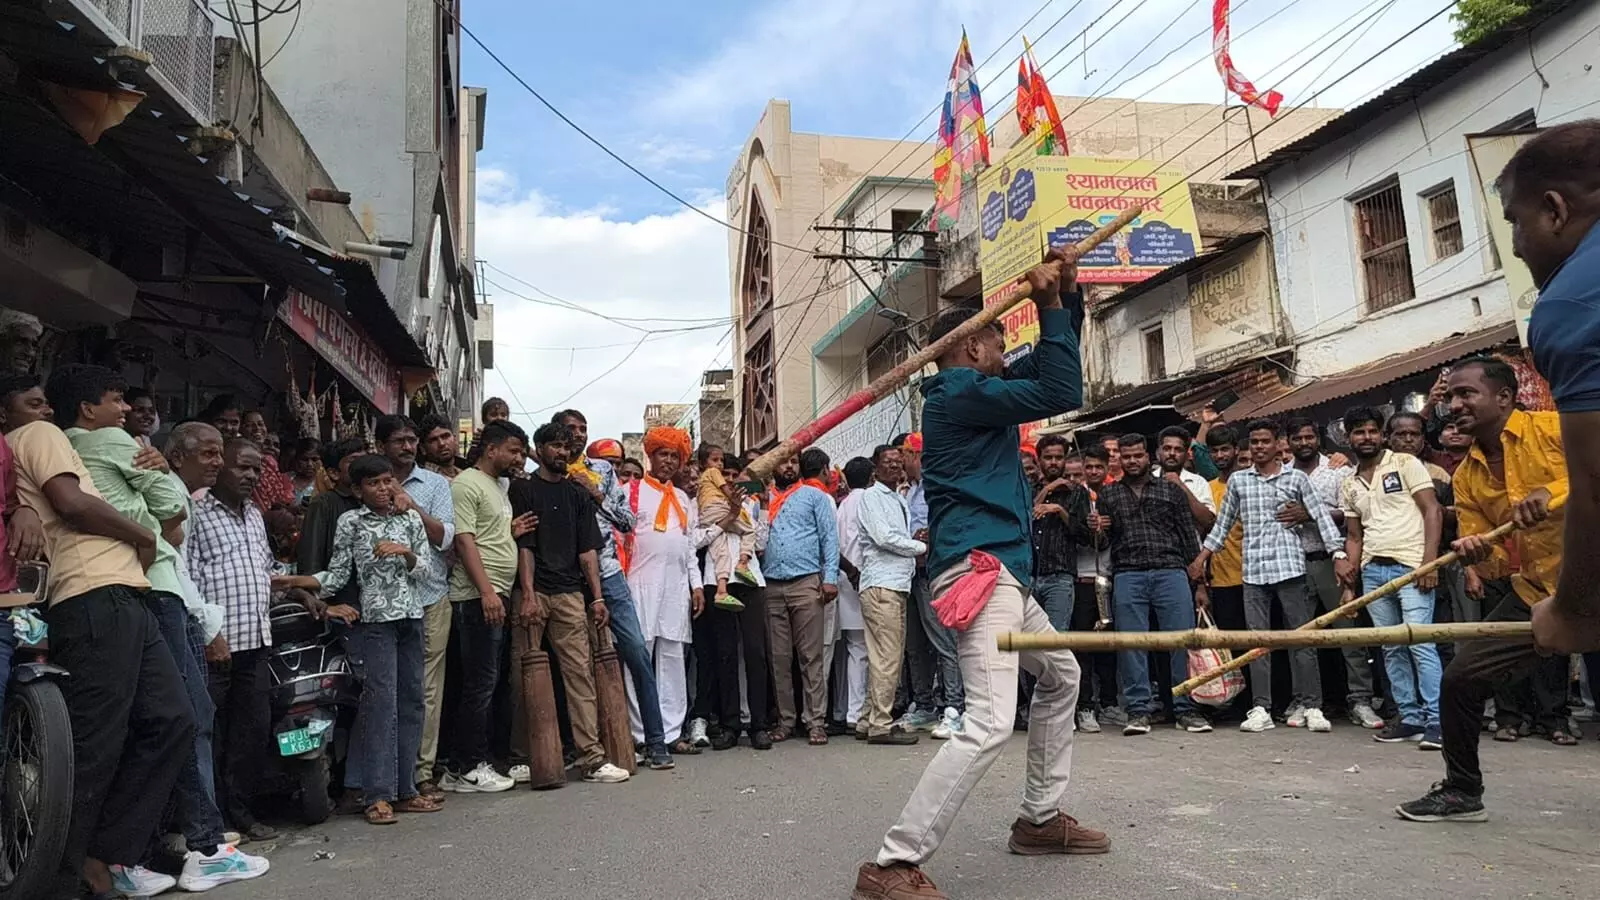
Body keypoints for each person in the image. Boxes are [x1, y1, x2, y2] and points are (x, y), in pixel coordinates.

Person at [856, 251, 1109, 900]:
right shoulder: (961, 394)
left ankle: (1041, 819)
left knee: (1060, 676)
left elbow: (1049, 368)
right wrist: (1048, 306)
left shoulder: (972, 392)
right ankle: (893, 862)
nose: (1008, 345)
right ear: (973, 346)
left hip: (1001, 574)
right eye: (1001, 338)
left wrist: (1066, 297)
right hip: (981, 571)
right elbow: (1059, 390)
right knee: (991, 721)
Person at [49, 368, 267, 892]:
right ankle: (201, 846)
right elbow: (166, 517)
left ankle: (130, 856)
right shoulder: (105, 443)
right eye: (117, 399)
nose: (126, 409)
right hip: (149, 594)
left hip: (145, 593)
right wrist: (155, 498)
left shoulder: (93, 450)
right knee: (185, 719)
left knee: (172, 721)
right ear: (87, 408)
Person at [8, 384, 198, 899]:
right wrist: (141, 536)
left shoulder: (49, 439)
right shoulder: (41, 433)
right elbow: (70, 503)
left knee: (173, 720)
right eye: (36, 400)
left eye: (49, 400)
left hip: (123, 595)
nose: (47, 408)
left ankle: (100, 854)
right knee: (95, 743)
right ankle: (60, 878)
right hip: (89, 593)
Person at [1397, 358, 1568, 823]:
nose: (1454, 405)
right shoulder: (1468, 475)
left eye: (1467, 394)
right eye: (1451, 397)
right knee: (1461, 678)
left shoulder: (1555, 428)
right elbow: (1494, 562)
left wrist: (1553, 490)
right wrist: (1474, 552)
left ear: (1505, 398)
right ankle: (1461, 791)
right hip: (1541, 592)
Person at [277, 454, 439, 823]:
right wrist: (297, 582)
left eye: (387, 482)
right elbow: (335, 576)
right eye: (373, 484)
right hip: (376, 622)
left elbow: (426, 570)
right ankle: (377, 795)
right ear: (357, 490)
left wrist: (406, 553)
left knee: (412, 702)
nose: (382, 489)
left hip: (411, 618)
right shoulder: (351, 522)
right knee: (381, 705)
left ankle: (407, 789)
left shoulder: (410, 518)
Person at [1500, 121, 1600, 654]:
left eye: (1515, 222)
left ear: (1555, 210)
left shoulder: (1570, 303)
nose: (1516, 247)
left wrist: (1574, 609)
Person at [1194, 419, 1343, 735]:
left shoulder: (1297, 479)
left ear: (1278, 444)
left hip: (1291, 568)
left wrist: (1338, 554)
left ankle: (1312, 705)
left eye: (1265, 441)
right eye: (1255, 442)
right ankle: (1261, 707)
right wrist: (1203, 557)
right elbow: (1223, 525)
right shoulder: (1239, 482)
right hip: (1254, 573)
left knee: (1301, 639)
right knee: (1257, 643)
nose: (1259, 447)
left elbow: (1320, 518)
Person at [505, 423, 631, 783]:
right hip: (532, 593)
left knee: (580, 676)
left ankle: (591, 757)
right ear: (539, 449)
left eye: (566, 447)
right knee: (522, 678)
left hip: (570, 594)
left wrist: (597, 597)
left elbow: (587, 550)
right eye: (555, 446)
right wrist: (527, 594)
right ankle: (523, 758)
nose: (562, 452)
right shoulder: (523, 489)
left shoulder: (577, 494)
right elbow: (524, 545)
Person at [554, 410, 676, 767]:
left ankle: (656, 742)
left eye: (582, 430)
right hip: (564, 578)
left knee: (637, 651)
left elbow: (626, 521)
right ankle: (575, 749)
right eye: (570, 430)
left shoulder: (603, 472)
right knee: (574, 666)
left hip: (608, 573)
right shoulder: (542, 476)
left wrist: (595, 496)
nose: (576, 435)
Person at [188, 437, 289, 843]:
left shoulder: (254, 516)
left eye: (256, 469)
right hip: (215, 646)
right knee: (209, 735)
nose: (250, 476)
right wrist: (209, 633)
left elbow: (264, 569)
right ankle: (210, 822)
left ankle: (242, 812)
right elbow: (188, 578)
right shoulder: (195, 513)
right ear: (219, 467)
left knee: (251, 732)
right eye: (241, 467)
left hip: (255, 643)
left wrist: (297, 589)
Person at [1336, 406, 1445, 750]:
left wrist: (1429, 563)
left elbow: (1432, 510)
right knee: (1391, 648)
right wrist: (1349, 587)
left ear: (1382, 434)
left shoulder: (1404, 463)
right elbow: (1354, 537)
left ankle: (1438, 721)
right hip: (1373, 570)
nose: (1366, 438)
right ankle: (1409, 718)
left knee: (1421, 645)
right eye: (1358, 432)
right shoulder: (1349, 484)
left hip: (1412, 565)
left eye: (1371, 431)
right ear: (1348, 438)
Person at [367, 416, 458, 801]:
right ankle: (383, 781)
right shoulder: (369, 482)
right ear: (381, 444)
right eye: (399, 441)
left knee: (425, 691)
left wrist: (412, 507)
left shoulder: (436, 484)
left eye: (411, 440)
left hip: (429, 594)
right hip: (382, 605)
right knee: (383, 692)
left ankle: (420, 774)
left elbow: (445, 538)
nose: (407, 447)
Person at [1098, 433, 1209, 736]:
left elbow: (1189, 537)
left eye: (1138, 455)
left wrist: (1200, 585)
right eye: (1126, 456)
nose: (1132, 461)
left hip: (1171, 572)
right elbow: (1104, 543)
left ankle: (1185, 709)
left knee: (1181, 642)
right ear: (1118, 458)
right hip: (1128, 574)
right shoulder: (1109, 495)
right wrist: (1098, 529)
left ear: (1149, 456)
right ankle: (1138, 711)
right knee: (1132, 645)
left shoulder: (1170, 490)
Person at [443, 420, 526, 794]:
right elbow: (464, 541)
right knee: (479, 683)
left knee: (492, 681)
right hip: (478, 597)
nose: (518, 457)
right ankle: (466, 767)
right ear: (490, 449)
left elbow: (489, 535)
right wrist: (487, 592)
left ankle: (486, 759)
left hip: (498, 593)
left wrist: (511, 535)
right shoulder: (465, 484)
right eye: (513, 450)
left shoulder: (497, 486)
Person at [1284, 416, 1382, 731]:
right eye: (1297, 438)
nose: (1303, 443)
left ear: (1318, 438)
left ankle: (1361, 700)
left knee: (1347, 633)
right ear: (1288, 442)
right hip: (1294, 563)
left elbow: (1348, 513)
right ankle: (1305, 700)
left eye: (1309, 436)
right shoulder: (1282, 474)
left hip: (1333, 560)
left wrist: (1312, 513)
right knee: (1300, 637)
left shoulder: (1339, 471)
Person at [624, 426, 709, 758]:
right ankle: (642, 734)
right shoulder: (631, 491)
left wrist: (697, 585)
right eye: (664, 454)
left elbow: (689, 547)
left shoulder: (685, 500)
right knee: (638, 658)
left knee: (673, 658)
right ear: (651, 455)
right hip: (639, 585)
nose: (669, 461)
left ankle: (672, 733)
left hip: (676, 588)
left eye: (675, 456)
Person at [762, 447, 840, 746]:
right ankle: (785, 721)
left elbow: (829, 539)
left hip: (807, 583)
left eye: (794, 461)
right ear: (773, 467)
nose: (789, 466)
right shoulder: (762, 498)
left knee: (811, 657)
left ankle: (815, 722)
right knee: (779, 658)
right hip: (770, 585)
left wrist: (830, 578)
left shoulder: (815, 497)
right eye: (783, 462)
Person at [855, 445, 927, 746]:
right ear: (876, 466)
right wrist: (919, 547)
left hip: (895, 583)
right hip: (883, 584)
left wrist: (913, 543)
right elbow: (884, 538)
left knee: (883, 656)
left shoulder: (897, 498)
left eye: (899, 463)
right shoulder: (871, 497)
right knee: (888, 657)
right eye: (888, 463)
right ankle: (880, 724)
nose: (895, 468)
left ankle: (868, 718)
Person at [1203, 425, 1253, 722]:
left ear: (1236, 449)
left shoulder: (1251, 483)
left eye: (1225, 449)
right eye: (1215, 451)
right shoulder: (1209, 488)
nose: (1221, 455)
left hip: (1253, 578)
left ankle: (1265, 701)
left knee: (1259, 643)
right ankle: (1238, 703)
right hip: (1221, 580)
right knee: (1232, 646)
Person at [1070, 445, 1119, 732]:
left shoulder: (1114, 495)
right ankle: (1086, 705)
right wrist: (1087, 527)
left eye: (1098, 466)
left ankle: (1110, 703)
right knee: (1083, 646)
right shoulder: (1078, 498)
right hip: (1082, 579)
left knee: (1109, 646)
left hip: (1110, 578)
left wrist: (1104, 527)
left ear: (1107, 467)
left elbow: (1115, 534)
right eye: (1088, 467)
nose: (1093, 472)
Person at [831, 457, 872, 738]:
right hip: (863, 578)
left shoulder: (841, 505)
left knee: (849, 649)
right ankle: (856, 712)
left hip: (844, 578)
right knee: (861, 650)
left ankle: (843, 709)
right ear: (871, 477)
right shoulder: (869, 501)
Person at [694, 443, 755, 611]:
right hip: (719, 509)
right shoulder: (713, 473)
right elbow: (726, 490)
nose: (719, 464)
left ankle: (721, 590)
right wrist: (734, 501)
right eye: (715, 460)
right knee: (749, 529)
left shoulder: (701, 484)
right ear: (703, 463)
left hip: (707, 516)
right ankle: (743, 563)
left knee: (722, 552)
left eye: (721, 460)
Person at [417, 414, 462, 479]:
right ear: (423, 448)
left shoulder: (465, 474)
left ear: (455, 439)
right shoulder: (423, 478)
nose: (441, 443)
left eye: (445, 436)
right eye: (433, 440)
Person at [288, 437, 321, 506]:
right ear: (296, 460)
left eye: (314, 459)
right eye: (304, 459)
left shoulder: (325, 483)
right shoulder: (285, 479)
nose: (309, 464)